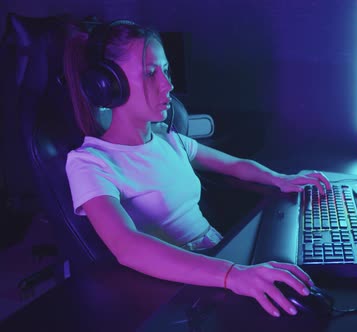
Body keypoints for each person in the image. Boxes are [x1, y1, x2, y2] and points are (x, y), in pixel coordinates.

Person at [62, 20, 331, 318]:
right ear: (108, 85)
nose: (167, 84)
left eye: (165, 70)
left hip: (222, 259)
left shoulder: (168, 140)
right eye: (151, 73)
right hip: (184, 286)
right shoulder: (90, 163)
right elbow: (127, 246)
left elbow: (234, 165)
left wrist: (281, 179)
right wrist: (233, 274)